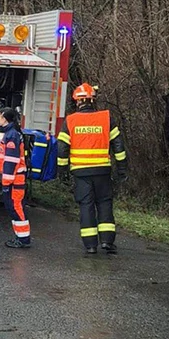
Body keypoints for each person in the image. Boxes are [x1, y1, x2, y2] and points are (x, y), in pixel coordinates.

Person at [56, 83, 128, 254]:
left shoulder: (71, 121)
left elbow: (61, 148)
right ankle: (107, 242)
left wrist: (62, 171)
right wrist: (122, 169)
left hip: (81, 173)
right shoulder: (106, 118)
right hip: (103, 171)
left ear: (77, 102)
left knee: (86, 205)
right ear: (93, 100)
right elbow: (118, 145)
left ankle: (90, 245)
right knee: (104, 203)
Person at [0, 108, 31, 248]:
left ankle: (23, 239)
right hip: (15, 178)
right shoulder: (12, 134)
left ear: (5, 118)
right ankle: (21, 237)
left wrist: (6, 183)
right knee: (14, 207)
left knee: (16, 207)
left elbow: (11, 161)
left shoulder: (11, 135)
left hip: (14, 179)